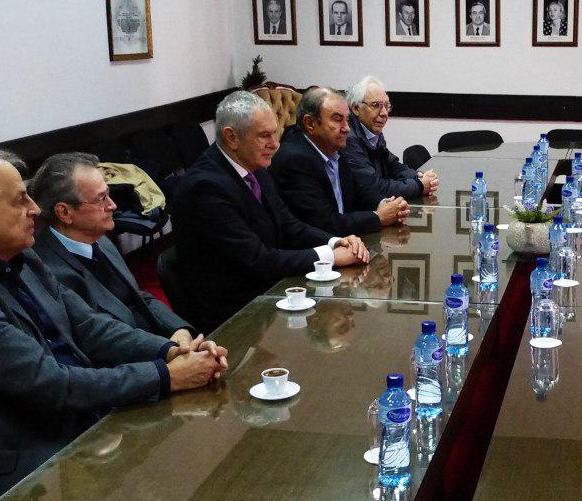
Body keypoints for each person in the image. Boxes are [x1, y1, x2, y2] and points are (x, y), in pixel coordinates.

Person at [0, 149, 225, 501]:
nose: (36, 209)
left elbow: (89, 327)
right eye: (20, 200)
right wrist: (165, 376)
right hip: (22, 462)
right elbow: (50, 383)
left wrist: (172, 350)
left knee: (195, 454)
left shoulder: (21, 256)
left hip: (70, 419)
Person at [170, 91, 370, 332]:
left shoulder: (255, 168)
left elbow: (289, 225)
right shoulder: (205, 187)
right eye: (264, 136)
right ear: (231, 137)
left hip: (268, 293)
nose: (275, 144)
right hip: (233, 317)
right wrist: (331, 256)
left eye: (274, 134)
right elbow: (259, 260)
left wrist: (335, 241)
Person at [29, 152, 195, 340]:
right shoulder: (47, 272)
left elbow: (138, 298)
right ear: (64, 212)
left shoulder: (99, 238)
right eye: (101, 199)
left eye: (108, 194)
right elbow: (100, 338)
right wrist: (166, 350)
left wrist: (179, 330)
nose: (113, 205)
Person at [271, 86, 410, 237]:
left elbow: (359, 193)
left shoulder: (334, 149)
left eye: (347, 120)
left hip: (346, 241)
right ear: (310, 123)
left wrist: (386, 204)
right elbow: (325, 223)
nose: (346, 128)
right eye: (338, 119)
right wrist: (378, 217)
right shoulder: (295, 160)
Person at [343, 76, 438, 202]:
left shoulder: (372, 131)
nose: (384, 113)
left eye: (386, 106)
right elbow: (374, 188)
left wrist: (417, 176)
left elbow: (392, 166)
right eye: (376, 105)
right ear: (356, 108)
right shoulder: (348, 139)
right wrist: (419, 186)